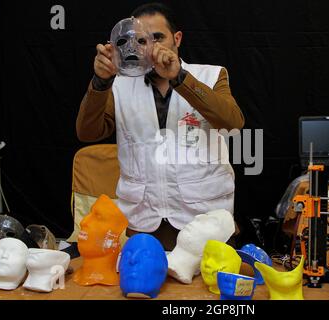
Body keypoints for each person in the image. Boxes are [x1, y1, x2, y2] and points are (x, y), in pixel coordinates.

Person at [76, 2, 244, 251]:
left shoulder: (210, 75)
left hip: (206, 222)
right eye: (143, 41)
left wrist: (179, 78)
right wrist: (100, 82)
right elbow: (88, 133)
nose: (152, 48)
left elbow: (232, 123)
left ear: (177, 39)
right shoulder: (120, 85)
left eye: (158, 38)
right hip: (145, 224)